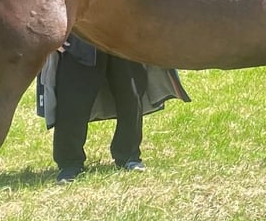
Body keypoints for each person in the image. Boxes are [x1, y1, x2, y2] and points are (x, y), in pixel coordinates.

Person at [37, 34, 190, 183]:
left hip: (124, 35)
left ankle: (129, 156)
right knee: (73, 101)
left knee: (131, 95)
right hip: (82, 36)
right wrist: (52, 35)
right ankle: (69, 163)